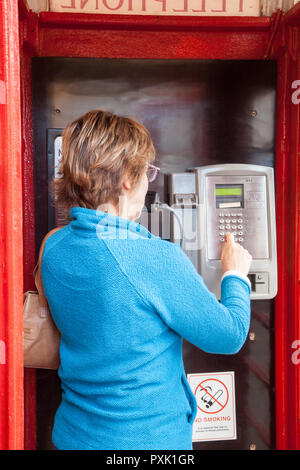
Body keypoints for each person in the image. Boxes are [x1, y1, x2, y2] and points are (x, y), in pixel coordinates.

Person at [40, 109, 252, 450]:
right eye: (147, 173)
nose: (147, 183)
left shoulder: (54, 248)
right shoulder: (153, 258)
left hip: (74, 435)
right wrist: (235, 275)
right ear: (127, 178)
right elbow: (229, 336)